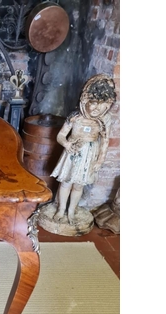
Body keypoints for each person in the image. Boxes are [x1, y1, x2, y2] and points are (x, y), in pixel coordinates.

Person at [51, 74, 117, 224]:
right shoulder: (75, 117)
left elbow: (105, 142)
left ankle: (71, 211)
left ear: (108, 104)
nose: (96, 108)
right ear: (85, 100)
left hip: (89, 155)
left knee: (78, 185)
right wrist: (67, 144)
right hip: (72, 153)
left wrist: (99, 161)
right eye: (93, 102)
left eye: (102, 104)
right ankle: (61, 209)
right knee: (66, 182)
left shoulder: (104, 121)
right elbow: (61, 135)